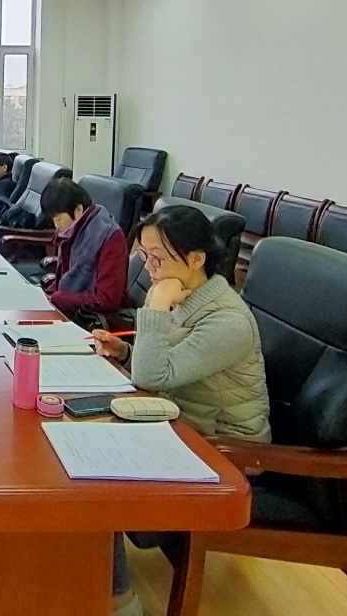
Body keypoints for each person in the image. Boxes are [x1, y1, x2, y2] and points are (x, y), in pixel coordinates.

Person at [92, 205, 270, 616]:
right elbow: (172, 366)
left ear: (196, 259)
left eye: (158, 258)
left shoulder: (227, 320)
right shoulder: (192, 298)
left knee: (98, 466)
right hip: (184, 424)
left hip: (224, 450)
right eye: (145, 256)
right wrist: (127, 352)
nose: (149, 268)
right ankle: (75, 567)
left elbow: (154, 375)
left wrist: (155, 306)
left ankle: (119, 599)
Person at [39, 177, 128, 320]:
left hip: (92, 320)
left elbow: (107, 300)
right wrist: (47, 295)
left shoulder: (110, 237)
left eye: (59, 219)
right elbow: (64, 276)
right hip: (66, 308)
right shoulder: (73, 231)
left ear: (78, 210)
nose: (56, 226)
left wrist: (59, 299)